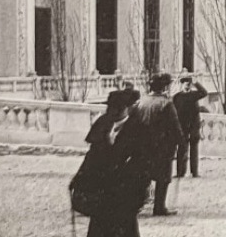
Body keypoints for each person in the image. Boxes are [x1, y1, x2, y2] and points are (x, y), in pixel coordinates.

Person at [70, 88, 146, 237]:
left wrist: (139, 191)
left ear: (126, 108)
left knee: (125, 229)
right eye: (111, 108)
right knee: (99, 228)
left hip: (125, 192)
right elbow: (91, 156)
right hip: (102, 191)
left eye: (117, 108)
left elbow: (143, 163)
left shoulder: (138, 128)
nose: (113, 112)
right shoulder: (102, 123)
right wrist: (79, 178)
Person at [130, 73, 182, 217]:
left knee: (143, 176)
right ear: (164, 87)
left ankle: (135, 205)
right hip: (162, 147)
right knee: (163, 177)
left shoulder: (142, 101)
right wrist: (181, 143)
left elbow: (132, 124)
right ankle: (159, 207)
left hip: (142, 147)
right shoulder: (166, 103)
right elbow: (175, 126)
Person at [172, 76, 208, 179]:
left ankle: (194, 172)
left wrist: (196, 83)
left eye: (189, 82)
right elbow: (174, 112)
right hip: (182, 126)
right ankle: (180, 172)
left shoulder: (194, 95)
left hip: (193, 126)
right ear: (181, 84)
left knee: (194, 149)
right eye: (184, 82)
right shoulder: (177, 97)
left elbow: (204, 92)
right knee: (181, 149)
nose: (187, 84)